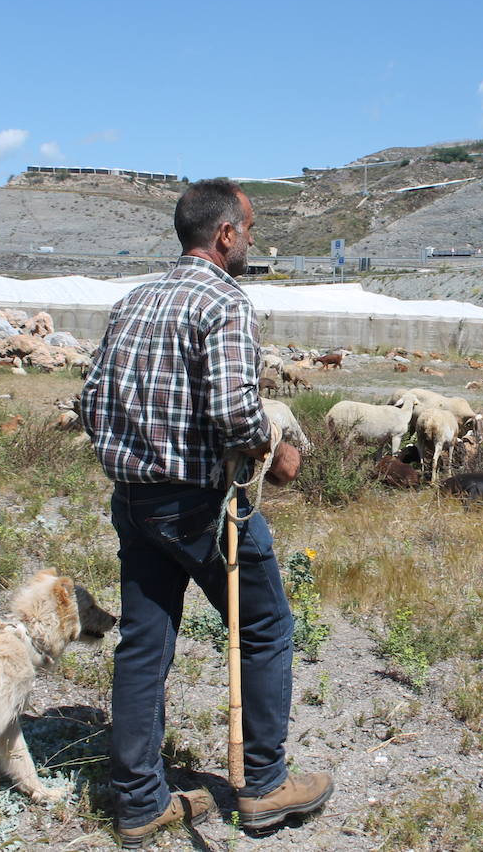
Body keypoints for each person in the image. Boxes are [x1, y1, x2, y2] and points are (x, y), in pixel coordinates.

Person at [80, 178, 333, 844]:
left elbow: (89, 400)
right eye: (247, 231)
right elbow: (231, 409)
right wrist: (273, 448)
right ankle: (266, 783)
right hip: (201, 506)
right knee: (266, 626)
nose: (250, 242)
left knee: (145, 640)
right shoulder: (224, 301)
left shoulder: (132, 300)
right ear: (225, 235)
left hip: (134, 502)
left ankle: (138, 800)